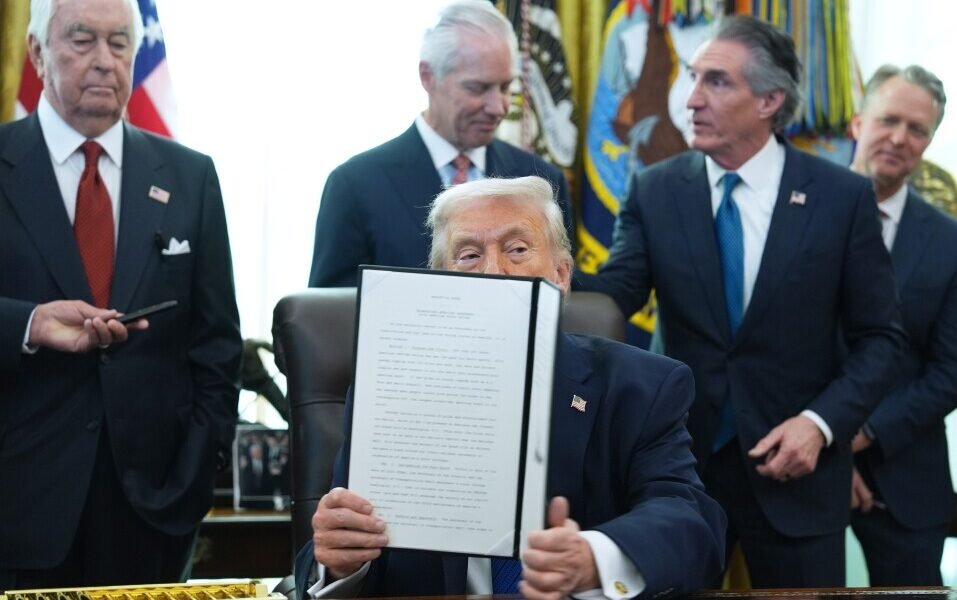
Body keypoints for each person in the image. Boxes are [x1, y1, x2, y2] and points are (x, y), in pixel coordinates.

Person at [577, 15, 906, 587]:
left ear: (769, 101)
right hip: (682, 476)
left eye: (716, 81)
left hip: (797, 477)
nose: (690, 99)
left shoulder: (841, 197)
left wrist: (819, 424)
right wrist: (540, 273)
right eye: (692, 77)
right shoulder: (655, 188)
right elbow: (615, 294)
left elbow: (881, 340)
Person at [295, 176, 726, 599]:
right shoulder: (391, 395)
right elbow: (334, 548)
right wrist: (338, 562)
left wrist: (594, 558)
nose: (494, 271)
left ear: (561, 276)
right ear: (442, 283)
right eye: (469, 255)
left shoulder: (642, 387)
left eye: (517, 249)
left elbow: (689, 522)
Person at [0, 0, 241, 587]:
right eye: (82, 40)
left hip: (154, 511)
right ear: (37, 53)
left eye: (119, 42)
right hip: (18, 505)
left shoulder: (191, 177)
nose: (105, 61)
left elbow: (217, 344)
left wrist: (196, 472)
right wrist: (29, 324)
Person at [308, 0, 573, 288]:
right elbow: (331, 309)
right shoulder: (355, 185)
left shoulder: (540, 180)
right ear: (428, 77)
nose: (498, 106)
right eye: (478, 88)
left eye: (505, 87)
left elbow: (564, 290)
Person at [847, 64, 957, 586]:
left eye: (918, 129)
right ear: (858, 122)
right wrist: (824, 440)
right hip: (792, 467)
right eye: (889, 120)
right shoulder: (795, 208)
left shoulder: (953, 242)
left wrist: (861, 436)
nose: (900, 138)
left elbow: (955, 370)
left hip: (905, 473)